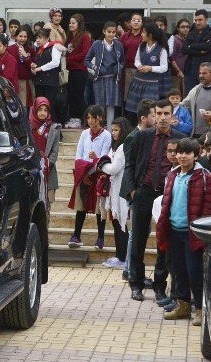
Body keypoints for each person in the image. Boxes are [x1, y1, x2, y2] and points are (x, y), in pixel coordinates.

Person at [123, 100, 186, 302]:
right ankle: (136, 283)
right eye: (158, 113)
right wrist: (133, 190)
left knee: (163, 243)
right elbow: (130, 165)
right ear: (154, 115)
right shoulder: (142, 136)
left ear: (172, 114)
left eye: (166, 113)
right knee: (138, 240)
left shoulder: (180, 139)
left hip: (168, 196)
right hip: (144, 192)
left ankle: (160, 285)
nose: (162, 117)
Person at [154, 137, 211, 323]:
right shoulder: (172, 175)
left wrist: (202, 229)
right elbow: (167, 203)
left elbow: (210, 205)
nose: (182, 156)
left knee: (195, 272)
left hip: (193, 233)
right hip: (174, 231)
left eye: (187, 153)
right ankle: (182, 305)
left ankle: (199, 309)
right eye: (180, 152)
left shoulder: (204, 177)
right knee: (178, 271)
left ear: (196, 155)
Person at [68, 106, 111, 249]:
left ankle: (100, 238)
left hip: (99, 175)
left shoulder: (106, 135)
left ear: (100, 117)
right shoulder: (84, 134)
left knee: (99, 208)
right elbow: (78, 154)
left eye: (93, 117)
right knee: (81, 206)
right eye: (88, 118)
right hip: (83, 174)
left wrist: (95, 161)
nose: (90, 121)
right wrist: (83, 173)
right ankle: (76, 235)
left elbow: (104, 157)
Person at [99, 117, 133, 270]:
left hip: (121, 189)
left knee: (121, 223)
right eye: (112, 130)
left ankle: (123, 257)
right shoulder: (115, 146)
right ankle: (120, 255)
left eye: (116, 130)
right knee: (116, 221)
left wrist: (102, 166)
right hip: (114, 189)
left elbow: (113, 168)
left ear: (123, 130)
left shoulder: (123, 147)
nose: (113, 133)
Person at [84, 21, 125, 129]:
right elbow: (87, 60)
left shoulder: (118, 45)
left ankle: (111, 130)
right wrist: (95, 67)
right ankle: (100, 128)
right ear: (104, 31)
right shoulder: (97, 44)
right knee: (100, 106)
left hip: (113, 78)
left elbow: (122, 61)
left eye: (113, 32)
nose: (111, 34)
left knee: (111, 106)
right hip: (99, 79)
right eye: (109, 32)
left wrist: (118, 67)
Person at [125, 22, 170, 118]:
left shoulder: (162, 49)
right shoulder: (141, 46)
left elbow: (164, 67)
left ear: (150, 35)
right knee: (133, 111)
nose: (141, 34)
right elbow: (136, 60)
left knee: (149, 111)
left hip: (151, 84)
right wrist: (139, 66)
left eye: (143, 32)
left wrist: (151, 68)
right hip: (138, 82)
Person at [30, 97, 61, 205]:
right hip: (31, 169)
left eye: (45, 110)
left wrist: (47, 164)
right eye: (40, 109)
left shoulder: (54, 128)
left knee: (47, 203)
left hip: (48, 169)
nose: (43, 113)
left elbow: (54, 151)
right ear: (34, 110)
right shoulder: (28, 127)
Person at [31, 29, 65, 121]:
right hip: (39, 82)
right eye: (36, 38)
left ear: (47, 38)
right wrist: (33, 67)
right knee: (40, 107)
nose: (37, 40)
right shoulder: (38, 50)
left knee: (49, 107)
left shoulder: (54, 47)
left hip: (50, 82)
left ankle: (55, 131)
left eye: (40, 38)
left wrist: (39, 68)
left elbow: (55, 63)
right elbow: (37, 65)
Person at [64, 14, 92, 127]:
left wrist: (68, 59)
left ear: (79, 24)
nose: (71, 25)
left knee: (79, 95)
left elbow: (85, 54)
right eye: (70, 23)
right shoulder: (70, 37)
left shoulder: (85, 36)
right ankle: (72, 118)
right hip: (70, 70)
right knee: (71, 95)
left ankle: (80, 118)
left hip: (80, 71)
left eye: (73, 23)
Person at [118, 12, 146, 122]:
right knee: (126, 96)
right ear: (130, 22)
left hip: (141, 70)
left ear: (142, 23)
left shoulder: (144, 35)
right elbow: (119, 52)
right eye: (134, 20)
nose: (136, 22)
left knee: (139, 98)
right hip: (127, 70)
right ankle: (127, 121)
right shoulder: (125, 36)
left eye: (138, 20)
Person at [183, 9, 211, 91]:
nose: (197, 22)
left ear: (206, 20)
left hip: (206, 69)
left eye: (200, 20)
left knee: (206, 95)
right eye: (196, 20)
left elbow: (209, 46)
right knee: (191, 96)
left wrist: (192, 45)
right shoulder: (191, 33)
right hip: (191, 69)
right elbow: (184, 49)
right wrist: (200, 51)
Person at [8, 26, 36, 106]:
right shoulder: (10, 49)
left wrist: (26, 56)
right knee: (15, 105)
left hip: (27, 81)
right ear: (16, 36)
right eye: (20, 36)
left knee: (26, 105)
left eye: (25, 37)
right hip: (14, 81)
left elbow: (33, 66)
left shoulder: (31, 49)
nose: (22, 39)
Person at [169, 19, 190, 96]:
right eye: (183, 27)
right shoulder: (175, 40)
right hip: (176, 74)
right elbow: (171, 58)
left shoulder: (186, 40)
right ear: (178, 28)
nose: (185, 29)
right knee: (175, 96)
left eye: (187, 27)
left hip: (184, 73)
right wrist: (178, 71)